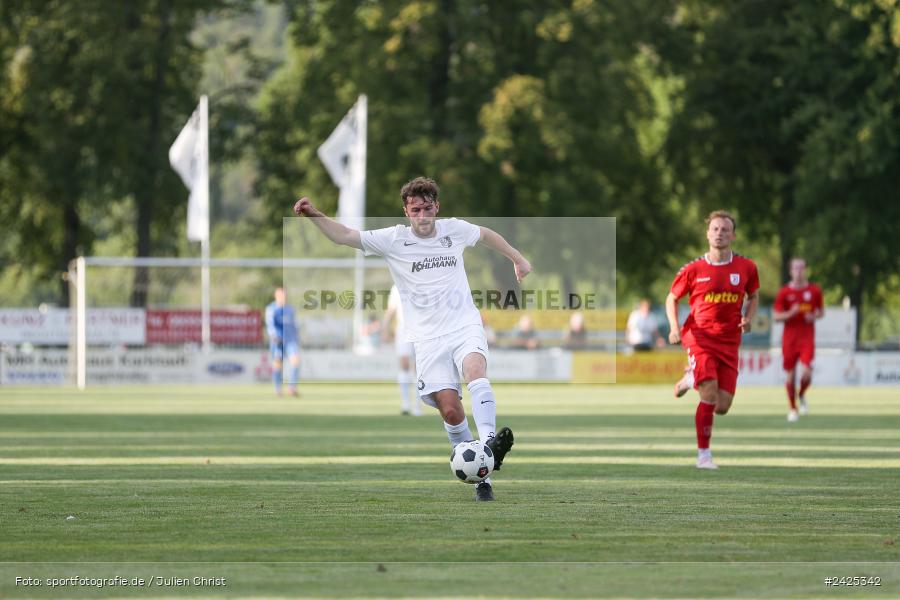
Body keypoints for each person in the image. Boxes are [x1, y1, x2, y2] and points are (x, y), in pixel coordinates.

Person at [294, 176, 530, 501]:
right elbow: (345, 236)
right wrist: (315, 214)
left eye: (428, 208)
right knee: (450, 411)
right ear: (406, 211)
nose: (423, 215)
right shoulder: (393, 240)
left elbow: (487, 235)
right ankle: (482, 482)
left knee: (475, 369)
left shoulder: (454, 229)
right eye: (416, 209)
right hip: (428, 339)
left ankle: (490, 444)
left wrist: (517, 258)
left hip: (464, 325)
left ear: (437, 207)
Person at [666, 210, 760, 469]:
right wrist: (674, 327)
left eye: (725, 230)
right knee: (708, 392)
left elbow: (753, 296)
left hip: (729, 341)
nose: (720, 233)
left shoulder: (746, 268)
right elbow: (671, 298)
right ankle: (703, 455)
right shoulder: (693, 269)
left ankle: (690, 378)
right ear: (708, 234)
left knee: (722, 405)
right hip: (700, 338)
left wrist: (748, 318)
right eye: (715, 229)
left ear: (733, 235)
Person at [773, 258, 824, 422]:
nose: (799, 271)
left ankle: (801, 394)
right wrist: (790, 314)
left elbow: (821, 312)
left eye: (801, 268)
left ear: (806, 270)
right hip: (789, 339)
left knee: (807, 372)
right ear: (790, 271)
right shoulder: (784, 293)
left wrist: (814, 315)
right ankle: (793, 408)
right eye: (796, 268)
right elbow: (776, 316)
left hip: (807, 338)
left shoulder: (814, 291)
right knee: (790, 375)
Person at [383, 284, 421, 416]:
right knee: (404, 364)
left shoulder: (421, 282)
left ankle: (417, 406)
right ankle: (406, 405)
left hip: (422, 330)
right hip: (403, 331)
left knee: (419, 368)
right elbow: (392, 309)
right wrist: (385, 327)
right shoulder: (396, 287)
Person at [265, 287, 301, 397]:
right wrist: (274, 336)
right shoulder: (271, 309)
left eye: (285, 295)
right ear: (276, 296)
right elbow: (270, 325)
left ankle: (291, 387)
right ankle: (277, 389)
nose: (283, 297)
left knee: (296, 361)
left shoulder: (290, 309)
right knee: (277, 365)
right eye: (281, 295)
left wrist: (297, 336)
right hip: (278, 340)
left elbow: (293, 324)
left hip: (290, 340)